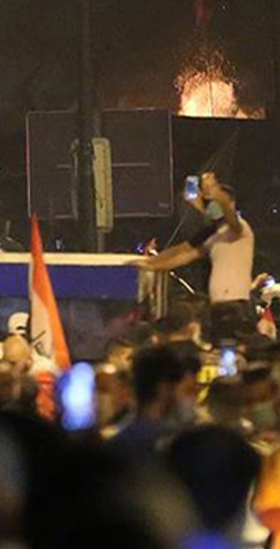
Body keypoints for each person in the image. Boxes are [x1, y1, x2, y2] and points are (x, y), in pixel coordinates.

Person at [138, 173, 254, 310]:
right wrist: (151, 265)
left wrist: (214, 190)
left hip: (236, 304)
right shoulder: (214, 237)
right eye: (211, 203)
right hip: (218, 304)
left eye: (216, 202)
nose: (213, 206)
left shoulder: (240, 229)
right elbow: (184, 255)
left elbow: (228, 210)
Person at [109, 344, 200, 457]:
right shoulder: (177, 447)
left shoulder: (115, 445)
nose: (189, 399)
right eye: (187, 391)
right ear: (164, 388)